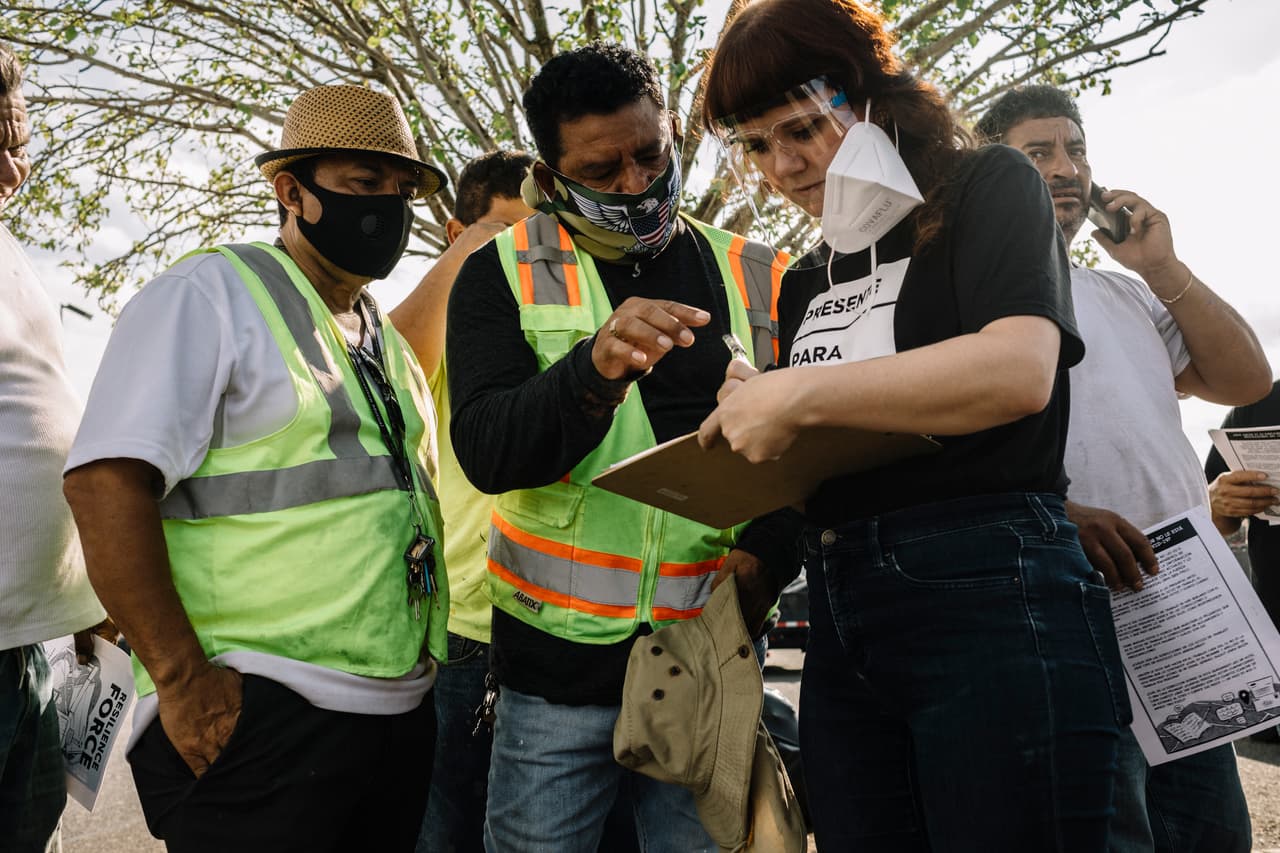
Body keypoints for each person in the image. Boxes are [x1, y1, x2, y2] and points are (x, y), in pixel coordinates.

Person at [700, 2, 1130, 850]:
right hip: (841, 610)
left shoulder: (989, 185)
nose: (783, 166)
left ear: (872, 95)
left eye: (803, 129)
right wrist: (759, 420)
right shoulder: (807, 276)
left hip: (992, 596)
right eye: (755, 145)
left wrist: (798, 395)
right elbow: (828, 453)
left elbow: (1017, 369)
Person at [62, 84, 451, 852]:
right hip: (258, 715)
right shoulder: (210, 295)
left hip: (394, 717)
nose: (389, 207)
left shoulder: (381, 337)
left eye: (402, 190)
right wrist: (184, 682)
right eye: (365, 182)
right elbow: (104, 483)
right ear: (291, 192)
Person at [445, 42, 801, 852]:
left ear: (673, 132)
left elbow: (807, 456)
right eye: (601, 172)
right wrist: (593, 372)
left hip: (709, 658)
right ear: (548, 175)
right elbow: (488, 452)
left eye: (651, 155)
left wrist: (768, 559)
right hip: (552, 680)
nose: (636, 185)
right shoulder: (499, 272)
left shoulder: (761, 274)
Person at [978, 84, 1267, 853]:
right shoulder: (969, 288)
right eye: (1037, 153)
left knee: (1212, 833)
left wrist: (1162, 266)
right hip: (1064, 600)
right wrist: (1056, 516)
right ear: (990, 170)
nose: (1066, 168)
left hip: (1176, 600)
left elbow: (1246, 379)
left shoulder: (1125, 293)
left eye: (1076, 150)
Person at [391, 150, 537, 853]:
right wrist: (470, 255)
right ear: (457, 233)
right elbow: (388, 366)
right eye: (508, 231)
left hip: (555, 623)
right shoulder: (452, 328)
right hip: (462, 631)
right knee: (444, 830)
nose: (525, 252)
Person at [0, 42, 110, 853]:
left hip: (32, 641)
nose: (14, 170)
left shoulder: (11, 253)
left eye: (20, 143)